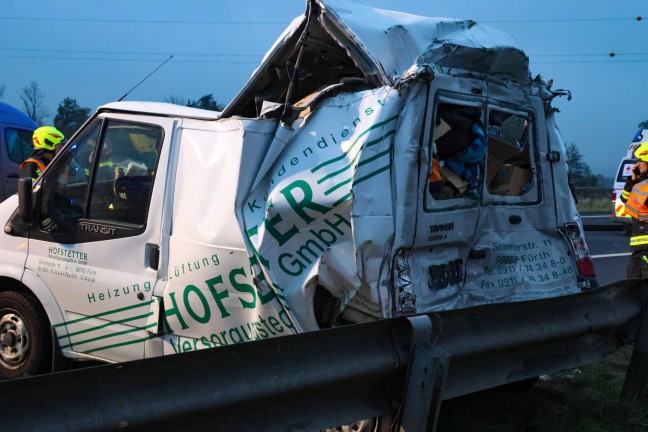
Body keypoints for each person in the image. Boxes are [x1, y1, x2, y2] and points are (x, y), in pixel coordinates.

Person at [621, 141, 648, 278]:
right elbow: (625, 199)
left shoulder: (644, 185)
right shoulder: (640, 184)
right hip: (640, 245)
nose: (637, 164)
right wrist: (632, 181)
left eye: (640, 160)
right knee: (632, 285)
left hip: (646, 245)